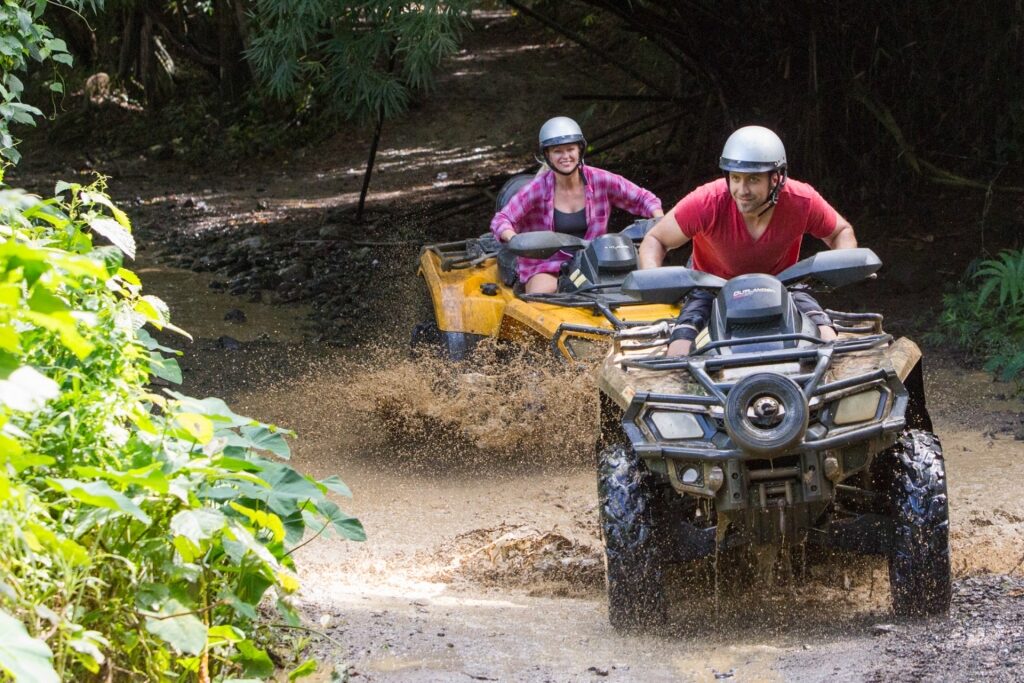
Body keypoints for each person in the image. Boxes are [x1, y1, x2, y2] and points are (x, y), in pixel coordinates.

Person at [638, 125, 858, 356]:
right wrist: (653, 278)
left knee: (828, 338)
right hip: (711, 289)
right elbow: (655, 239)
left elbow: (840, 232)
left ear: (775, 179)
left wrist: (840, 266)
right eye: (735, 178)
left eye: (753, 179)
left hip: (783, 285)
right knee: (678, 350)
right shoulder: (707, 201)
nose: (742, 190)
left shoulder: (801, 200)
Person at [491, 116, 664, 294]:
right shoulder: (537, 189)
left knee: (634, 287)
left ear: (580, 150)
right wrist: (517, 241)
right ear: (548, 155)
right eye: (558, 151)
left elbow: (645, 199)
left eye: (570, 149)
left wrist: (659, 223)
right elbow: (501, 220)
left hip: (593, 261)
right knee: (543, 294)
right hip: (547, 265)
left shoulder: (600, 179)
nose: (566, 156)